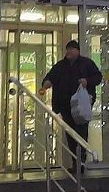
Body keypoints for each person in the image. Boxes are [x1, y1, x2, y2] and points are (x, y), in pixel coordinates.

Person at [39, 40, 102, 173]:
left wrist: (87, 81)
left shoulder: (86, 63)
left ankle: (81, 162)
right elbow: (50, 77)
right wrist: (45, 85)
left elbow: (98, 77)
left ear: (77, 51)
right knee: (70, 134)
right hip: (65, 106)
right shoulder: (60, 66)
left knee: (81, 133)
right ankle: (76, 162)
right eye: (68, 49)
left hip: (81, 106)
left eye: (72, 49)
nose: (69, 52)